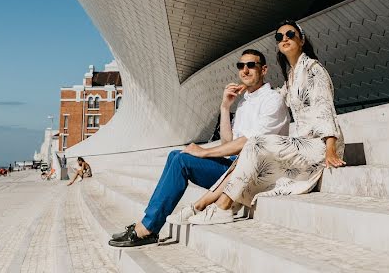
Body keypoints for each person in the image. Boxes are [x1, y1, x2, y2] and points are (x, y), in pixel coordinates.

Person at [108, 48, 289, 248]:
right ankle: (149, 223)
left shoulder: (273, 99)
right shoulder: (244, 104)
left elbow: (249, 142)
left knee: (182, 160)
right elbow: (228, 144)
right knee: (175, 155)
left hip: (253, 173)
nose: (244, 70)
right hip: (233, 168)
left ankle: (148, 228)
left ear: (263, 69)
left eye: (250, 65)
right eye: (240, 66)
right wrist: (225, 107)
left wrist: (204, 151)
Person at [186, 20, 345, 225]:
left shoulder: (313, 69)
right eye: (280, 37)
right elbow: (283, 96)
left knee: (255, 142)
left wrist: (330, 149)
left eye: (290, 34)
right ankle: (207, 205)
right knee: (254, 151)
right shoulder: (293, 74)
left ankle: (221, 206)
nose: (285, 39)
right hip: (302, 143)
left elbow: (325, 108)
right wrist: (251, 91)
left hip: (319, 145)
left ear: (302, 40)